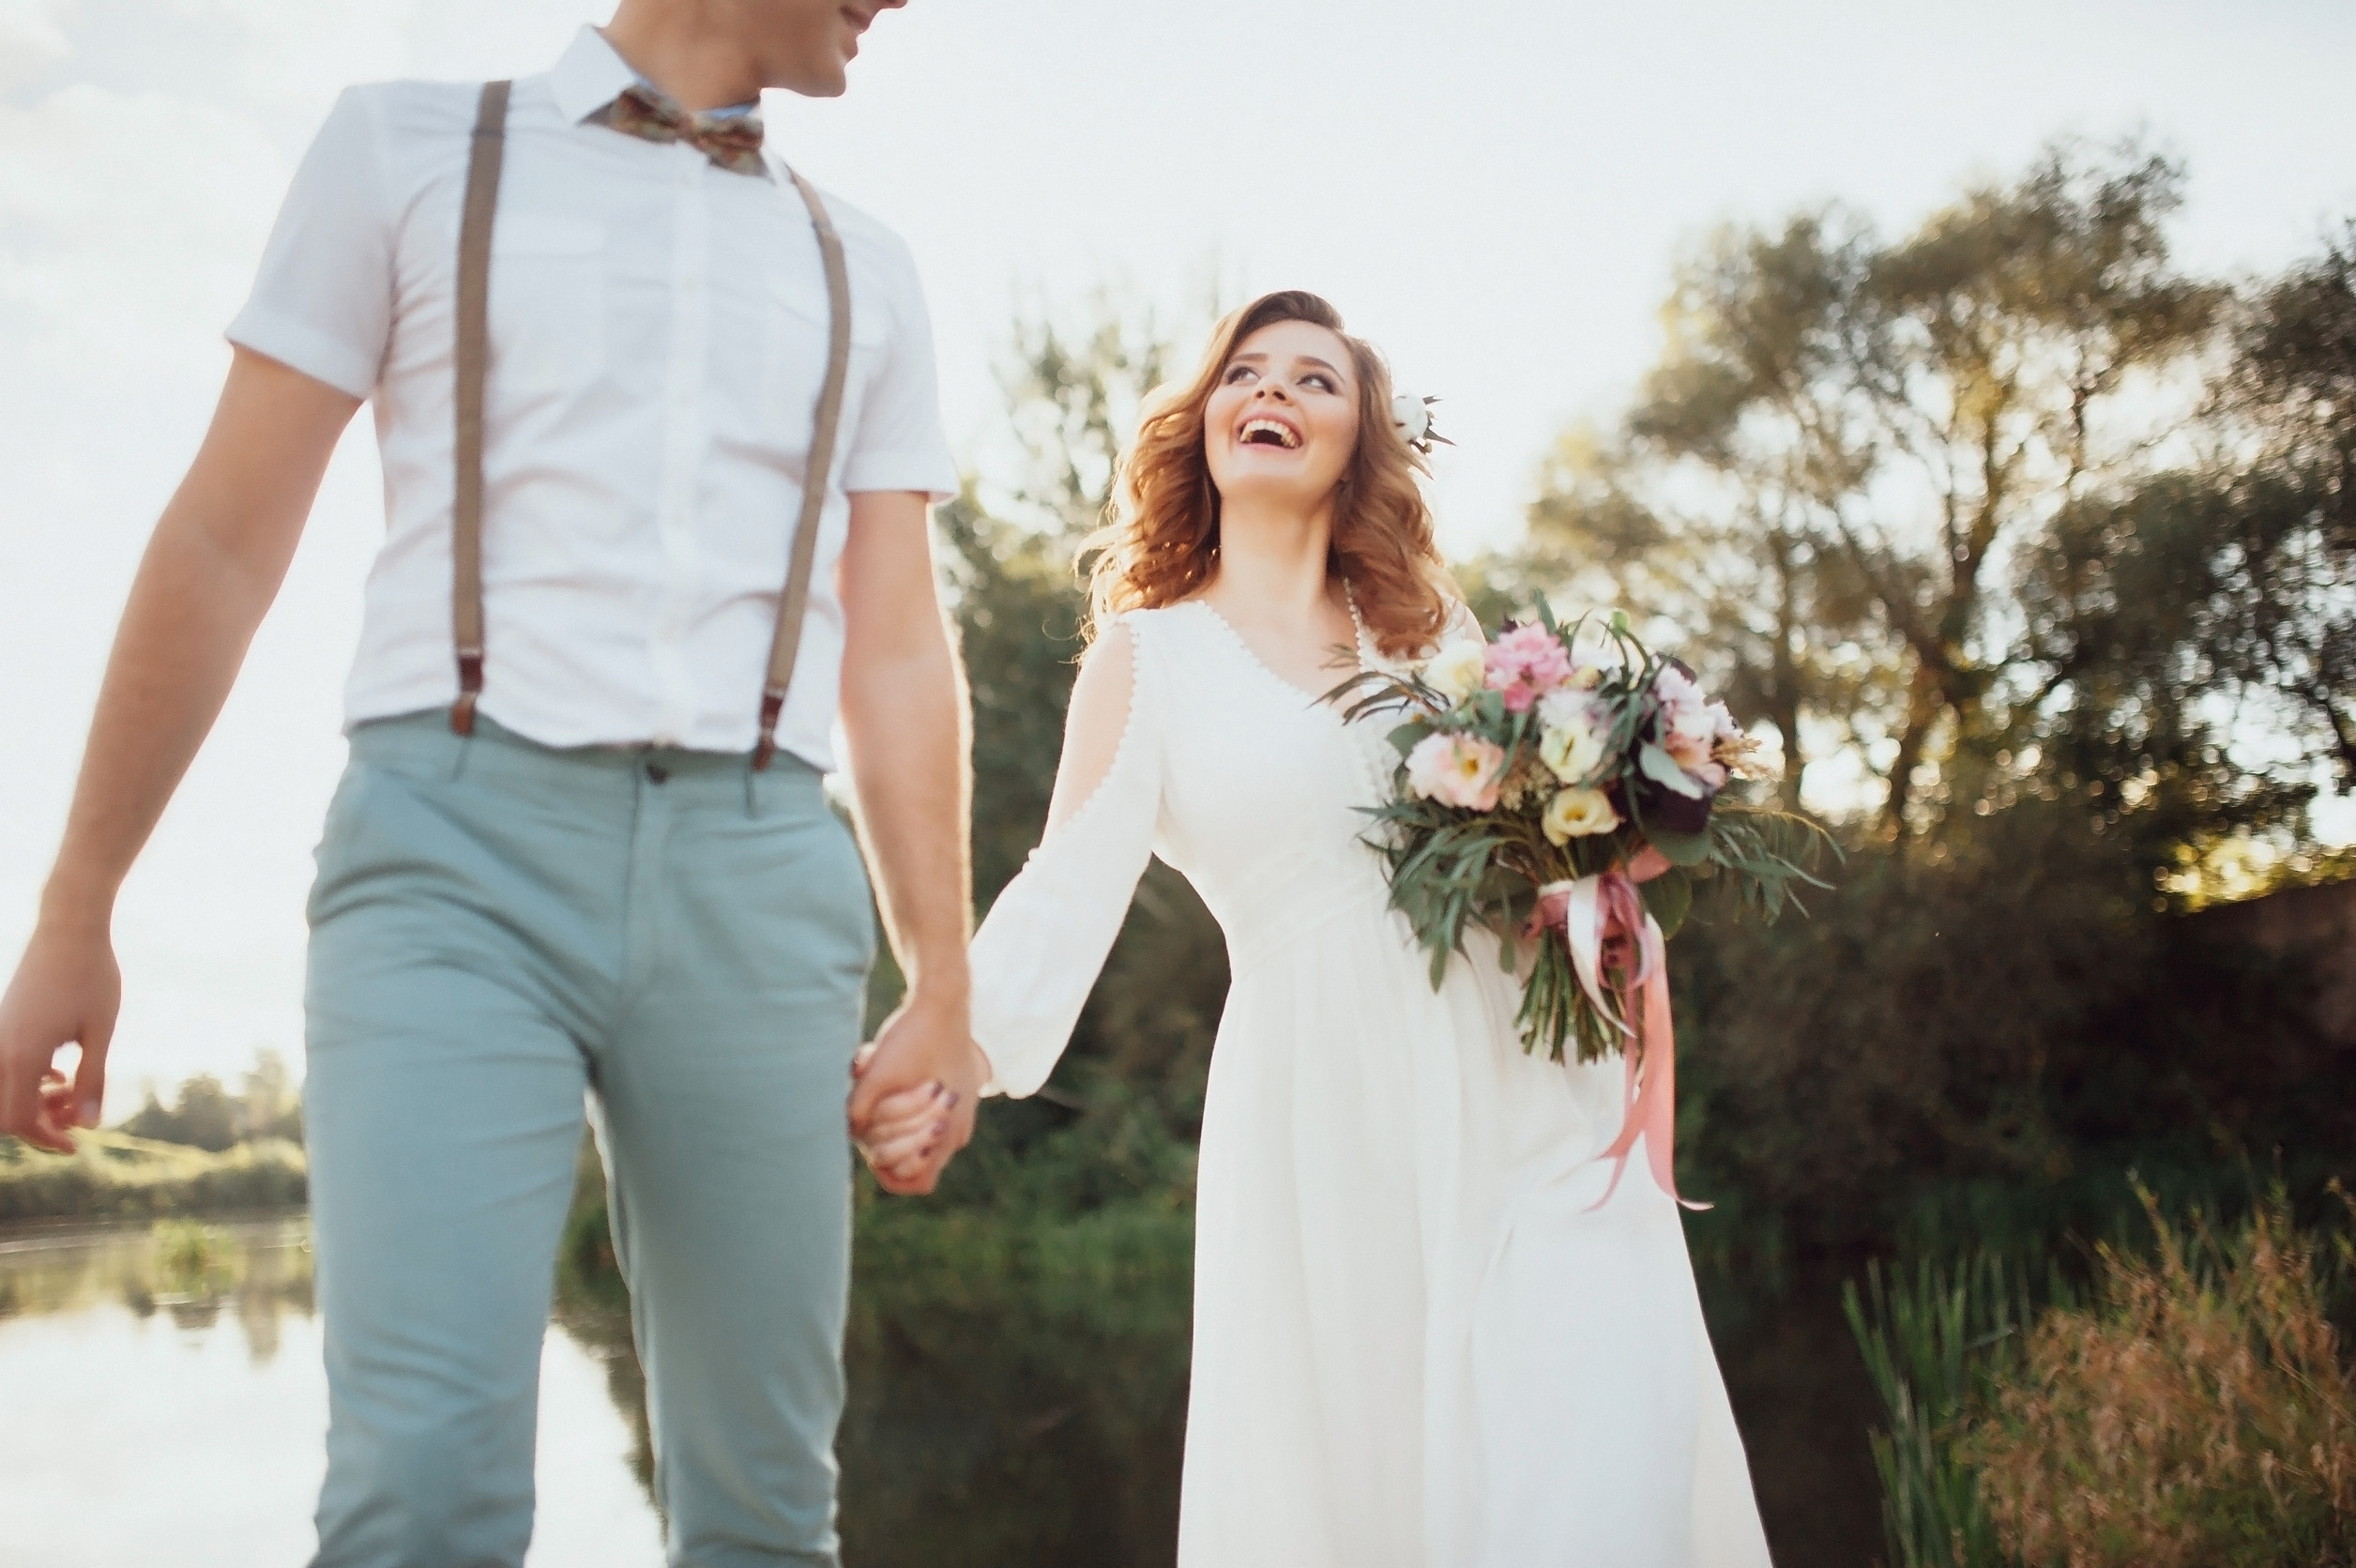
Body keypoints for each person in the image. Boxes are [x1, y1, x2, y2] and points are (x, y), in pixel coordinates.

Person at [0, 3, 988, 1563]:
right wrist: (79, 905)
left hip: (759, 873)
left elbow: (898, 646)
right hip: (450, 858)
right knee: (425, 1495)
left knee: (766, 1507)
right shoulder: (406, 153)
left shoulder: (865, 261)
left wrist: (941, 974)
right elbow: (222, 538)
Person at [864, 291, 1778, 1565]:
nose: (1274, 394)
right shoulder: (1149, 657)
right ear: (1206, 423)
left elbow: (1521, 860)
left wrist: (1596, 875)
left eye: (1315, 381)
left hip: (1525, 1084)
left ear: (1359, 446)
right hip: (1328, 1108)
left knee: (1598, 1414)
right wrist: (952, 1051)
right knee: (1373, 1475)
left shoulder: (1440, 646)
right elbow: (1068, 886)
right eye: (1248, 373)